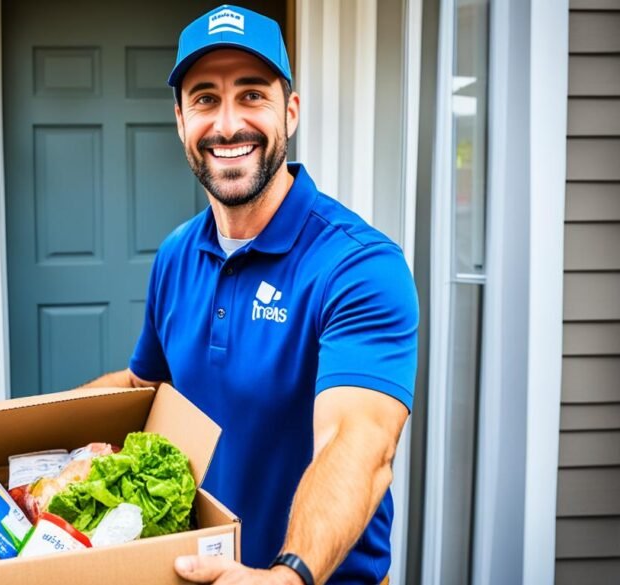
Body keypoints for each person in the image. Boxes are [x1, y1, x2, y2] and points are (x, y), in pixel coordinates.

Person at [83, 5, 418, 584]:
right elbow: (146, 386)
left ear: (289, 112)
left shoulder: (359, 265)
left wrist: (287, 577)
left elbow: (358, 443)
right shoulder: (176, 255)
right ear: (181, 121)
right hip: (195, 569)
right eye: (206, 99)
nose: (228, 124)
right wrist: (29, 434)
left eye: (252, 95)